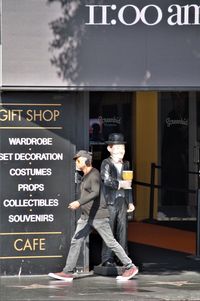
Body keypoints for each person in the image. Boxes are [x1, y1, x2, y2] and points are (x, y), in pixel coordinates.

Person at [48, 150, 138, 281]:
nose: (76, 163)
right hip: (86, 216)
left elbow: (95, 192)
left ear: (85, 160)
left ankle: (130, 267)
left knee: (111, 242)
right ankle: (68, 272)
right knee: (76, 241)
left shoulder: (94, 174)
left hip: (98, 216)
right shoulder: (85, 175)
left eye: (78, 160)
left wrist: (78, 202)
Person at [100, 133, 135, 267]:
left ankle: (123, 257)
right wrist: (120, 184)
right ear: (110, 148)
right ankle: (107, 258)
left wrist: (130, 201)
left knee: (123, 230)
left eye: (123, 149)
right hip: (110, 202)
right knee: (109, 230)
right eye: (118, 148)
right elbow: (106, 180)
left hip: (122, 201)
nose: (121, 151)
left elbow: (129, 184)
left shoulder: (126, 164)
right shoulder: (106, 163)